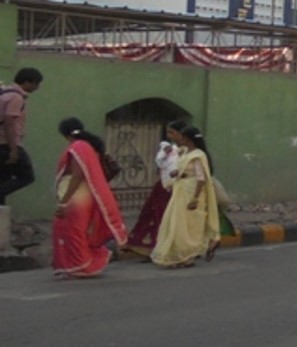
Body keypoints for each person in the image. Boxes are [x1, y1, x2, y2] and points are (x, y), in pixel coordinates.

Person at [52, 118, 127, 278]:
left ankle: (83, 265)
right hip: (82, 195)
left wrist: (64, 202)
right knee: (72, 230)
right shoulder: (89, 146)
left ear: (65, 135)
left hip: (76, 196)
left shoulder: (78, 147)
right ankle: (77, 265)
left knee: (72, 231)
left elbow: (77, 175)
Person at [152, 126, 221, 269]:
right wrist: (176, 173)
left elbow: (201, 178)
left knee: (189, 225)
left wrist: (195, 198)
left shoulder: (198, 155)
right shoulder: (185, 153)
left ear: (188, 140)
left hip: (191, 191)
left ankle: (187, 256)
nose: (180, 139)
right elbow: (183, 168)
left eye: (183, 137)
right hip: (180, 189)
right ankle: (176, 255)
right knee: (175, 222)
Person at [122, 119, 188, 259]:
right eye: (168, 132)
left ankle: (169, 248)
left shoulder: (189, 151)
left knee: (168, 218)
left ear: (181, 134)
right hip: (163, 186)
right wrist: (165, 153)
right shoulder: (168, 148)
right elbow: (159, 162)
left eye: (172, 132)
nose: (169, 135)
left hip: (177, 187)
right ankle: (148, 247)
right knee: (152, 214)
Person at [0, 66, 43, 205]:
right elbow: (9, 122)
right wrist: (13, 149)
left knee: (4, 178)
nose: (37, 88)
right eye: (36, 84)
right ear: (27, 82)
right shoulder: (16, 98)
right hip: (7, 144)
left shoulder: (4, 93)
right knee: (27, 176)